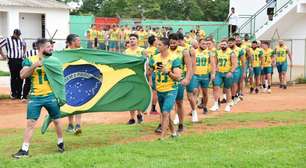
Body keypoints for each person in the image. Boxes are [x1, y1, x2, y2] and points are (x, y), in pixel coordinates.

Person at [12, 38, 64, 158]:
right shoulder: (30, 60)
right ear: (40, 48)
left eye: (51, 46)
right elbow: (22, 75)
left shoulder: (54, 60)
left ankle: (60, 142)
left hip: (51, 95)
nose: (51, 48)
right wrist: (34, 65)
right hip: (35, 97)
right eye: (48, 47)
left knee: (56, 120)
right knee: (30, 123)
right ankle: (24, 150)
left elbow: (60, 76)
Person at [148, 37, 181, 140]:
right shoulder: (155, 58)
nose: (157, 47)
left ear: (166, 46)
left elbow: (178, 77)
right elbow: (151, 71)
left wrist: (168, 72)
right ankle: (174, 133)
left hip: (171, 89)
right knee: (164, 113)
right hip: (160, 90)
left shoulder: (174, 58)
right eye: (157, 45)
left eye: (159, 45)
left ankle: (162, 137)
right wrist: (149, 73)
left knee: (166, 112)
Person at [123, 34, 146, 125]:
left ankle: (139, 114)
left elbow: (146, 62)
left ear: (137, 40)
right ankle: (132, 118)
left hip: (140, 76)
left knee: (139, 96)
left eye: (134, 39)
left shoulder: (142, 51)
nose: (132, 40)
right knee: (130, 97)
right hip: (130, 76)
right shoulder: (126, 52)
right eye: (130, 39)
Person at [210, 39, 237, 112]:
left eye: (224, 44)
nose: (223, 46)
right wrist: (213, 73)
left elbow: (235, 64)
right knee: (216, 87)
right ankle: (216, 104)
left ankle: (228, 104)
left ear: (227, 45)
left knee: (227, 89)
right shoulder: (217, 52)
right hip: (219, 72)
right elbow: (215, 63)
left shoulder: (231, 53)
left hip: (227, 73)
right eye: (222, 44)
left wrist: (231, 72)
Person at [0, 29, 27, 100]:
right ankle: (13, 93)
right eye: (17, 35)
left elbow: (25, 46)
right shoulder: (7, 39)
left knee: (20, 76)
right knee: (14, 77)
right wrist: (3, 55)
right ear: (14, 34)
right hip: (12, 60)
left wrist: (23, 53)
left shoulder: (21, 39)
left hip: (20, 60)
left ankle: (19, 93)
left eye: (19, 35)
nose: (18, 36)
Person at [190, 38, 215, 114]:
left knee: (205, 93)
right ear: (199, 44)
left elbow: (213, 64)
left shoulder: (209, 53)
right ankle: (193, 110)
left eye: (206, 44)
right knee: (194, 91)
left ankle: (204, 107)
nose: (205, 45)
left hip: (205, 75)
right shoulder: (194, 52)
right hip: (195, 75)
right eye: (203, 44)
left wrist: (213, 74)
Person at [64, 34, 82, 135]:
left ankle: (78, 125)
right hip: (68, 81)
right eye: (78, 40)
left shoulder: (82, 51)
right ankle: (70, 125)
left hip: (80, 80)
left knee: (80, 102)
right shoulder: (64, 52)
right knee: (69, 102)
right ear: (72, 42)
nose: (80, 42)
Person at [228, 37, 245, 106]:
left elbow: (243, 61)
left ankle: (238, 94)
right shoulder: (227, 50)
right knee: (232, 83)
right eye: (228, 43)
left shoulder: (240, 50)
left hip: (238, 68)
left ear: (234, 43)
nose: (229, 44)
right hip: (229, 68)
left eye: (231, 43)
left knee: (237, 82)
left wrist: (243, 71)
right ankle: (236, 95)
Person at [146, 35, 159, 115]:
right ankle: (153, 109)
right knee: (155, 92)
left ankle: (144, 108)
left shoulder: (146, 50)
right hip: (154, 71)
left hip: (146, 71)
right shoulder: (157, 50)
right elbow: (158, 61)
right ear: (154, 42)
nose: (158, 41)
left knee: (148, 91)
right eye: (157, 40)